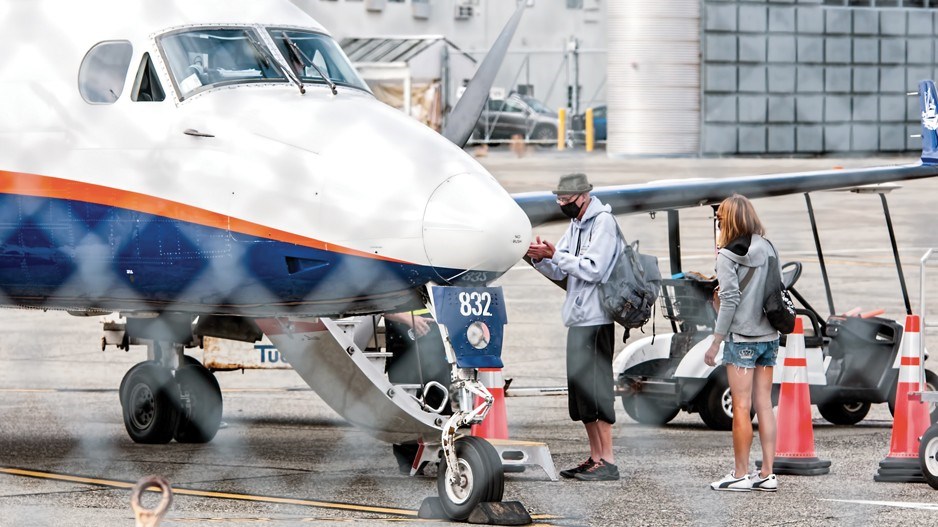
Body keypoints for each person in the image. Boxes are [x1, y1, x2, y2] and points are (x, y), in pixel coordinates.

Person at [526, 173, 621, 482]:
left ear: (584, 196)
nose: (562, 205)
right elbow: (561, 266)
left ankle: (607, 459)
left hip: (597, 320)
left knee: (597, 391)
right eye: (559, 200)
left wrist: (557, 255)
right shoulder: (576, 225)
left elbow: (594, 269)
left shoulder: (603, 224)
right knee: (581, 396)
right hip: (578, 320)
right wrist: (541, 258)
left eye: (566, 200)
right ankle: (595, 456)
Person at [704, 194, 780, 492]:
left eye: (720, 218)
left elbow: (730, 300)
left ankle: (740, 473)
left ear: (728, 220)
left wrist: (715, 341)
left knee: (741, 406)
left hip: (741, 340)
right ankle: (768, 473)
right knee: (764, 405)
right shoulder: (769, 246)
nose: (718, 222)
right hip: (769, 337)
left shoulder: (727, 255)